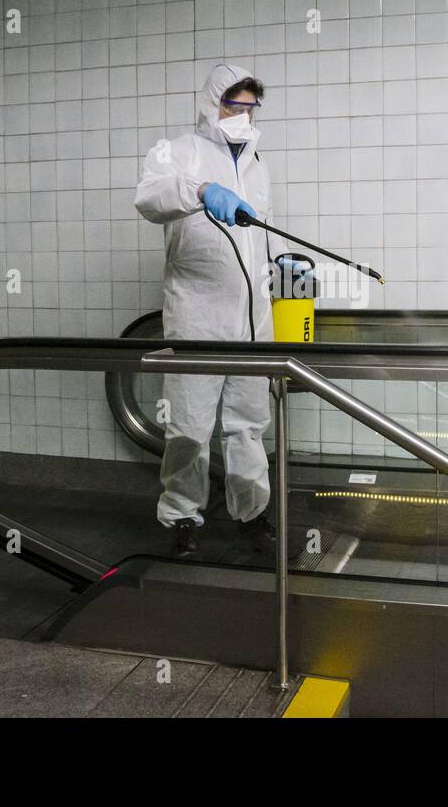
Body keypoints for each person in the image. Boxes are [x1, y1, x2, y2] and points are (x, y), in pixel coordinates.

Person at [135, 63, 287, 557]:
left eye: (248, 107)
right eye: (231, 104)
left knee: (248, 420)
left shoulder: (259, 165)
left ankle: (252, 512)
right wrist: (200, 191)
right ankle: (181, 515)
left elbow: (259, 238)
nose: (240, 115)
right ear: (211, 104)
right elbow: (150, 199)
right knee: (189, 423)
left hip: (252, 314)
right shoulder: (179, 151)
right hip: (197, 310)